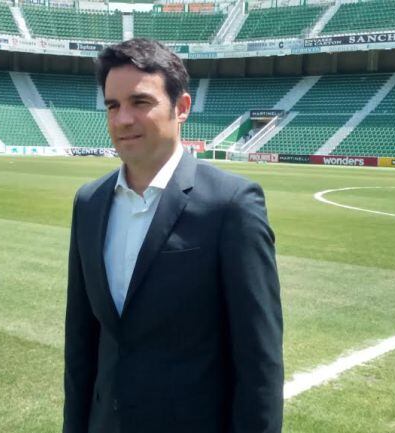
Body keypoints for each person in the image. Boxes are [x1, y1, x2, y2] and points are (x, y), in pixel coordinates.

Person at [63, 38, 283, 433]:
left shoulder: (231, 205)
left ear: (181, 108)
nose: (122, 119)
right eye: (113, 106)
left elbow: (259, 362)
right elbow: (81, 345)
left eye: (140, 103)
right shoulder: (89, 202)